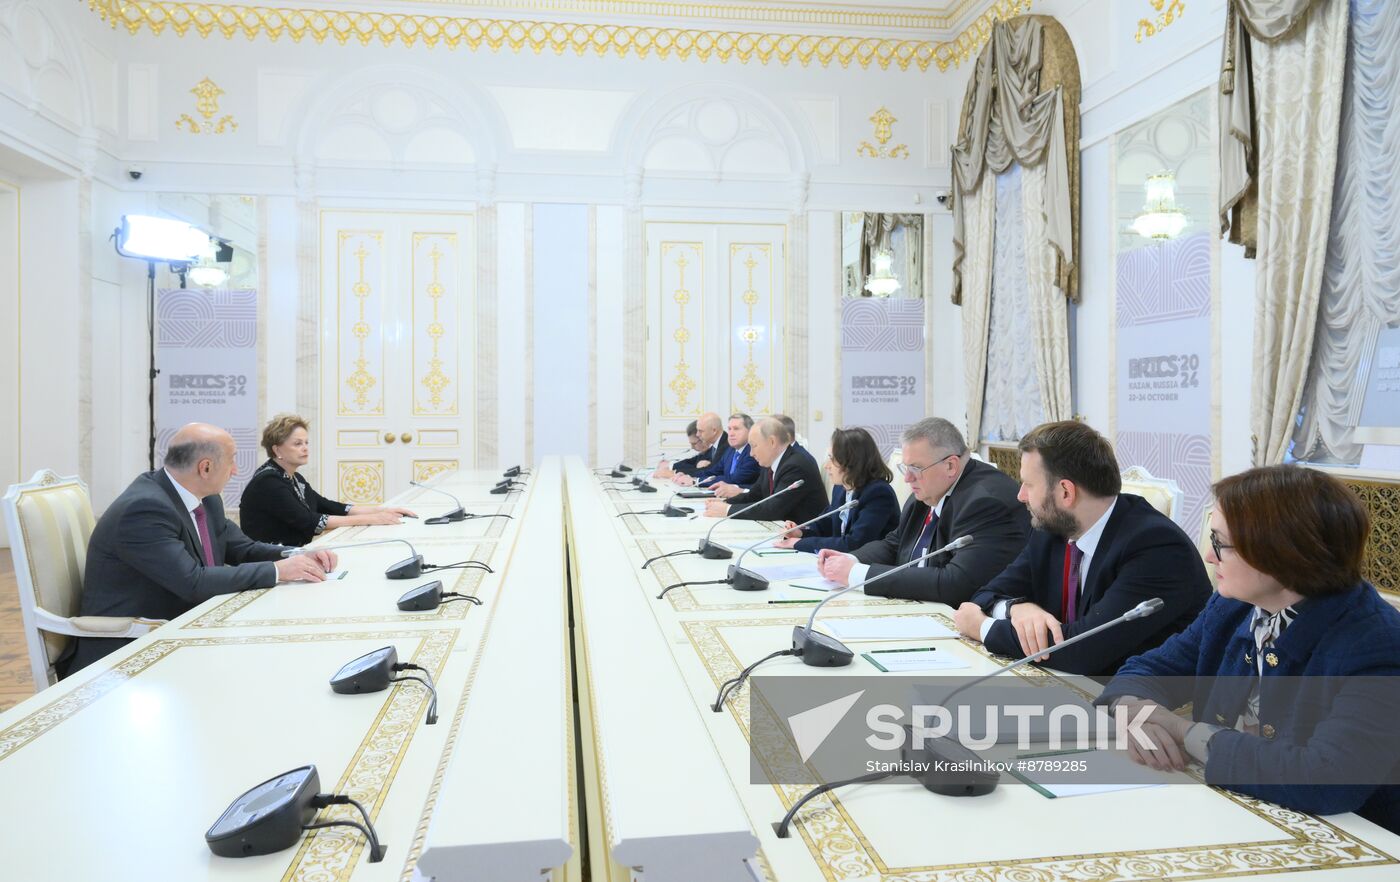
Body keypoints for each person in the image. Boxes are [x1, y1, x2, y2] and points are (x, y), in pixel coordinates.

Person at [1097, 465, 1400, 834]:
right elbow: (1148, 669)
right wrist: (1133, 710)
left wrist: (1180, 729)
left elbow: (1329, 779)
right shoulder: (1234, 607)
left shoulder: (1378, 644)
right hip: (1225, 813)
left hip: (1343, 842)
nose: (1209, 556)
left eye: (1221, 543)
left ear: (1280, 553)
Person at [70, 423, 338, 673]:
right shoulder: (144, 509)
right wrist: (279, 571)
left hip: (185, 624)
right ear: (205, 468)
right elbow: (193, 581)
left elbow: (242, 548)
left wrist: (297, 555)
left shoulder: (204, 499)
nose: (235, 471)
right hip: (130, 649)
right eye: (232, 461)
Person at [953, 420, 1210, 677]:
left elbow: (1081, 652)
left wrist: (983, 628)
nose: (1020, 496)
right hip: (1067, 685)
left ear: (1066, 492)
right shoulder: (1053, 530)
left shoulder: (1157, 547)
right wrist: (1017, 609)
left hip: (1137, 699)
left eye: (1029, 485)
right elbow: (986, 594)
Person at [816, 418, 1029, 603]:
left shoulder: (985, 503)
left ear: (950, 466)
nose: (907, 478)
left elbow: (954, 583)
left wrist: (857, 574)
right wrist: (850, 560)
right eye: (906, 468)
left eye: (916, 468)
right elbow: (895, 543)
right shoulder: (927, 492)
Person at [239, 414, 417, 546]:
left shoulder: (293, 477)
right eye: (297, 444)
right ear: (277, 450)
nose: (305, 448)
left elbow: (327, 505)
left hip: (289, 555)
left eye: (306, 442)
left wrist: (382, 510)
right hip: (269, 560)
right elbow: (309, 521)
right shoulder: (268, 482)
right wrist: (372, 519)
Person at [772, 426, 899, 554]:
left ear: (851, 462)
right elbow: (826, 524)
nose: (827, 466)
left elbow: (854, 543)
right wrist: (800, 532)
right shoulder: (841, 488)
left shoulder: (878, 494)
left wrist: (799, 544)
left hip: (870, 566)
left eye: (832, 459)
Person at [705, 417, 827, 523]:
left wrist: (728, 510)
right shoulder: (770, 462)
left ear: (772, 442)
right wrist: (725, 502)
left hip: (807, 535)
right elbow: (755, 495)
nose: (751, 453)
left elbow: (773, 509)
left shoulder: (796, 465)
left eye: (754, 446)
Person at [693, 413, 761, 491]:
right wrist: (690, 477)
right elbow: (713, 471)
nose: (731, 434)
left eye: (736, 429)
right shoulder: (730, 450)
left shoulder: (752, 452)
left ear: (750, 431)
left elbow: (734, 479)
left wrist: (697, 481)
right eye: (729, 429)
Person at [665, 412, 727, 479]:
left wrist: (674, 473)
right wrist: (671, 467)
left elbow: (710, 471)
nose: (697, 434)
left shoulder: (726, 444)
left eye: (700, 431)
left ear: (714, 430)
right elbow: (694, 461)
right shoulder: (715, 445)